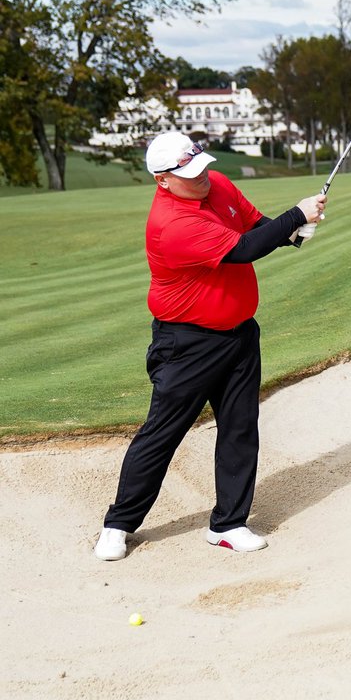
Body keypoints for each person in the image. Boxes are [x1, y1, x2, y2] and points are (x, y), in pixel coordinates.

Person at [93, 131, 326, 561]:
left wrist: (292, 233)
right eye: (188, 174)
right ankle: (118, 524)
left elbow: (255, 226)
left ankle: (229, 524)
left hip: (238, 335)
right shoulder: (172, 224)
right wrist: (296, 214)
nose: (201, 178)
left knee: (240, 428)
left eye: (201, 167)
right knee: (163, 433)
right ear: (162, 180)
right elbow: (243, 249)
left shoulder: (215, 183)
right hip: (187, 344)